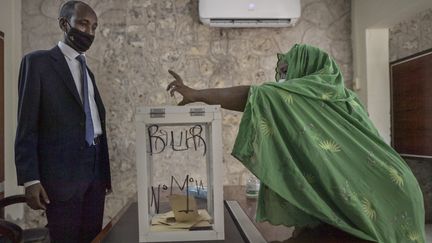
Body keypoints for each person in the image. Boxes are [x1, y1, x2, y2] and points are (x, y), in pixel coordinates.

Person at [167, 44, 426, 243]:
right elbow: (319, 186)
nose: (281, 80)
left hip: (385, 196)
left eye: (285, 72)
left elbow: (255, 96)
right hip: (397, 186)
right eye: (279, 73)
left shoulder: (308, 96)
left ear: (307, 68)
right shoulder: (343, 99)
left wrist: (197, 94)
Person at [15, 1, 111, 242]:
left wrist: (103, 175)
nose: (89, 32)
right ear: (64, 24)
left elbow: (93, 122)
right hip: (61, 177)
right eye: (83, 24)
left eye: (94, 27)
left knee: (93, 238)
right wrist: (31, 179)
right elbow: (27, 125)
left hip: (94, 172)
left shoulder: (88, 72)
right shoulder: (38, 63)